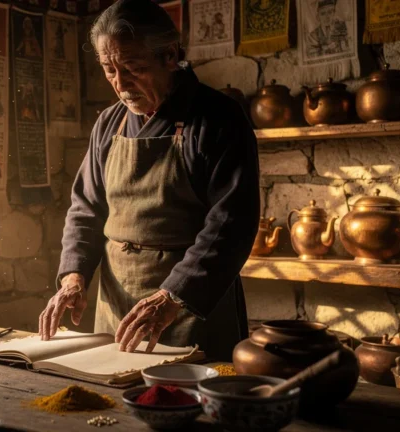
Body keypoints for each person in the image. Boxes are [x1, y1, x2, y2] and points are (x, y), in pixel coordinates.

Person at [38, 0, 259, 362]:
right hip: (117, 303)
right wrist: (73, 276)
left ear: (170, 56)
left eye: (133, 68)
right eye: (109, 70)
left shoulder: (217, 119)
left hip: (187, 302)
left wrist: (172, 296)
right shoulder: (110, 123)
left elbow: (231, 224)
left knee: (187, 404)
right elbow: (86, 209)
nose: (120, 84)